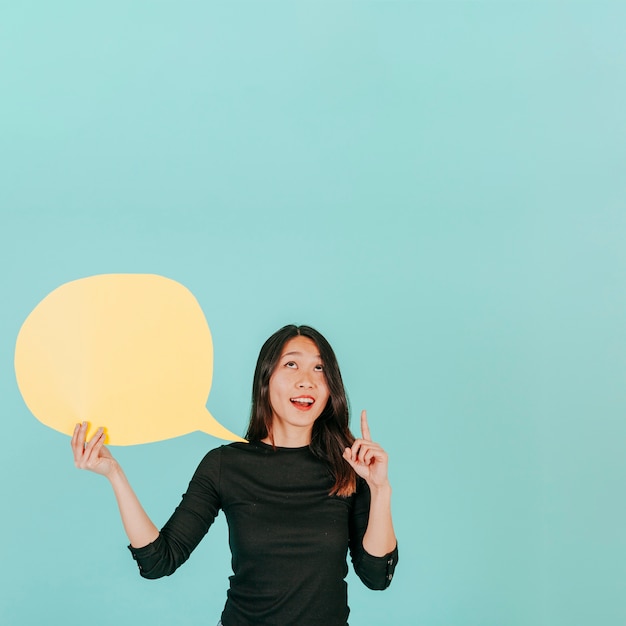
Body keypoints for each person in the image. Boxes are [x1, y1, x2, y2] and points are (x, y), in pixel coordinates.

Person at [72, 324, 398, 626]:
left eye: (320, 368)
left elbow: (376, 576)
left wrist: (380, 489)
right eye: (291, 365)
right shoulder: (225, 464)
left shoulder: (349, 467)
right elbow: (159, 562)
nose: (307, 380)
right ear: (265, 378)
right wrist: (114, 474)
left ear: (331, 389)